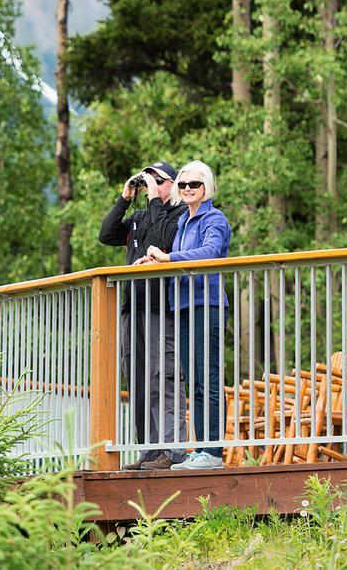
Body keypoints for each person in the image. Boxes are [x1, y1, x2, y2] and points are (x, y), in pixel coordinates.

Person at [139, 160, 231, 470]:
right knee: (195, 381)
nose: (188, 189)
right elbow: (176, 259)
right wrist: (156, 263)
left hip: (207, 304)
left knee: (209, 379)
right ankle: (202, 449)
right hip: (183, 306)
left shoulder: (214, 219)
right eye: (183, 185)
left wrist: (168, 257)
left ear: (207, 188)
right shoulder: (182, 223)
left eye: (195, 184)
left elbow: (210, 252)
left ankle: (213, 451)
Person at [98, 161, 186, 470]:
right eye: (148, 179)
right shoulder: (137, 218)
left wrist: (153, 199)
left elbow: (162, 238)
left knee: (162, 377)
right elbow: (106, 234)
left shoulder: (177, 216)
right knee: (136, 380)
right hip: (131, 308)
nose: (152, 184)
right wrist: (125, 197)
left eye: (158, 180)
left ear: (172, 185)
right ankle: (149, 452)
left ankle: (172, 451)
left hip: (160, 308)